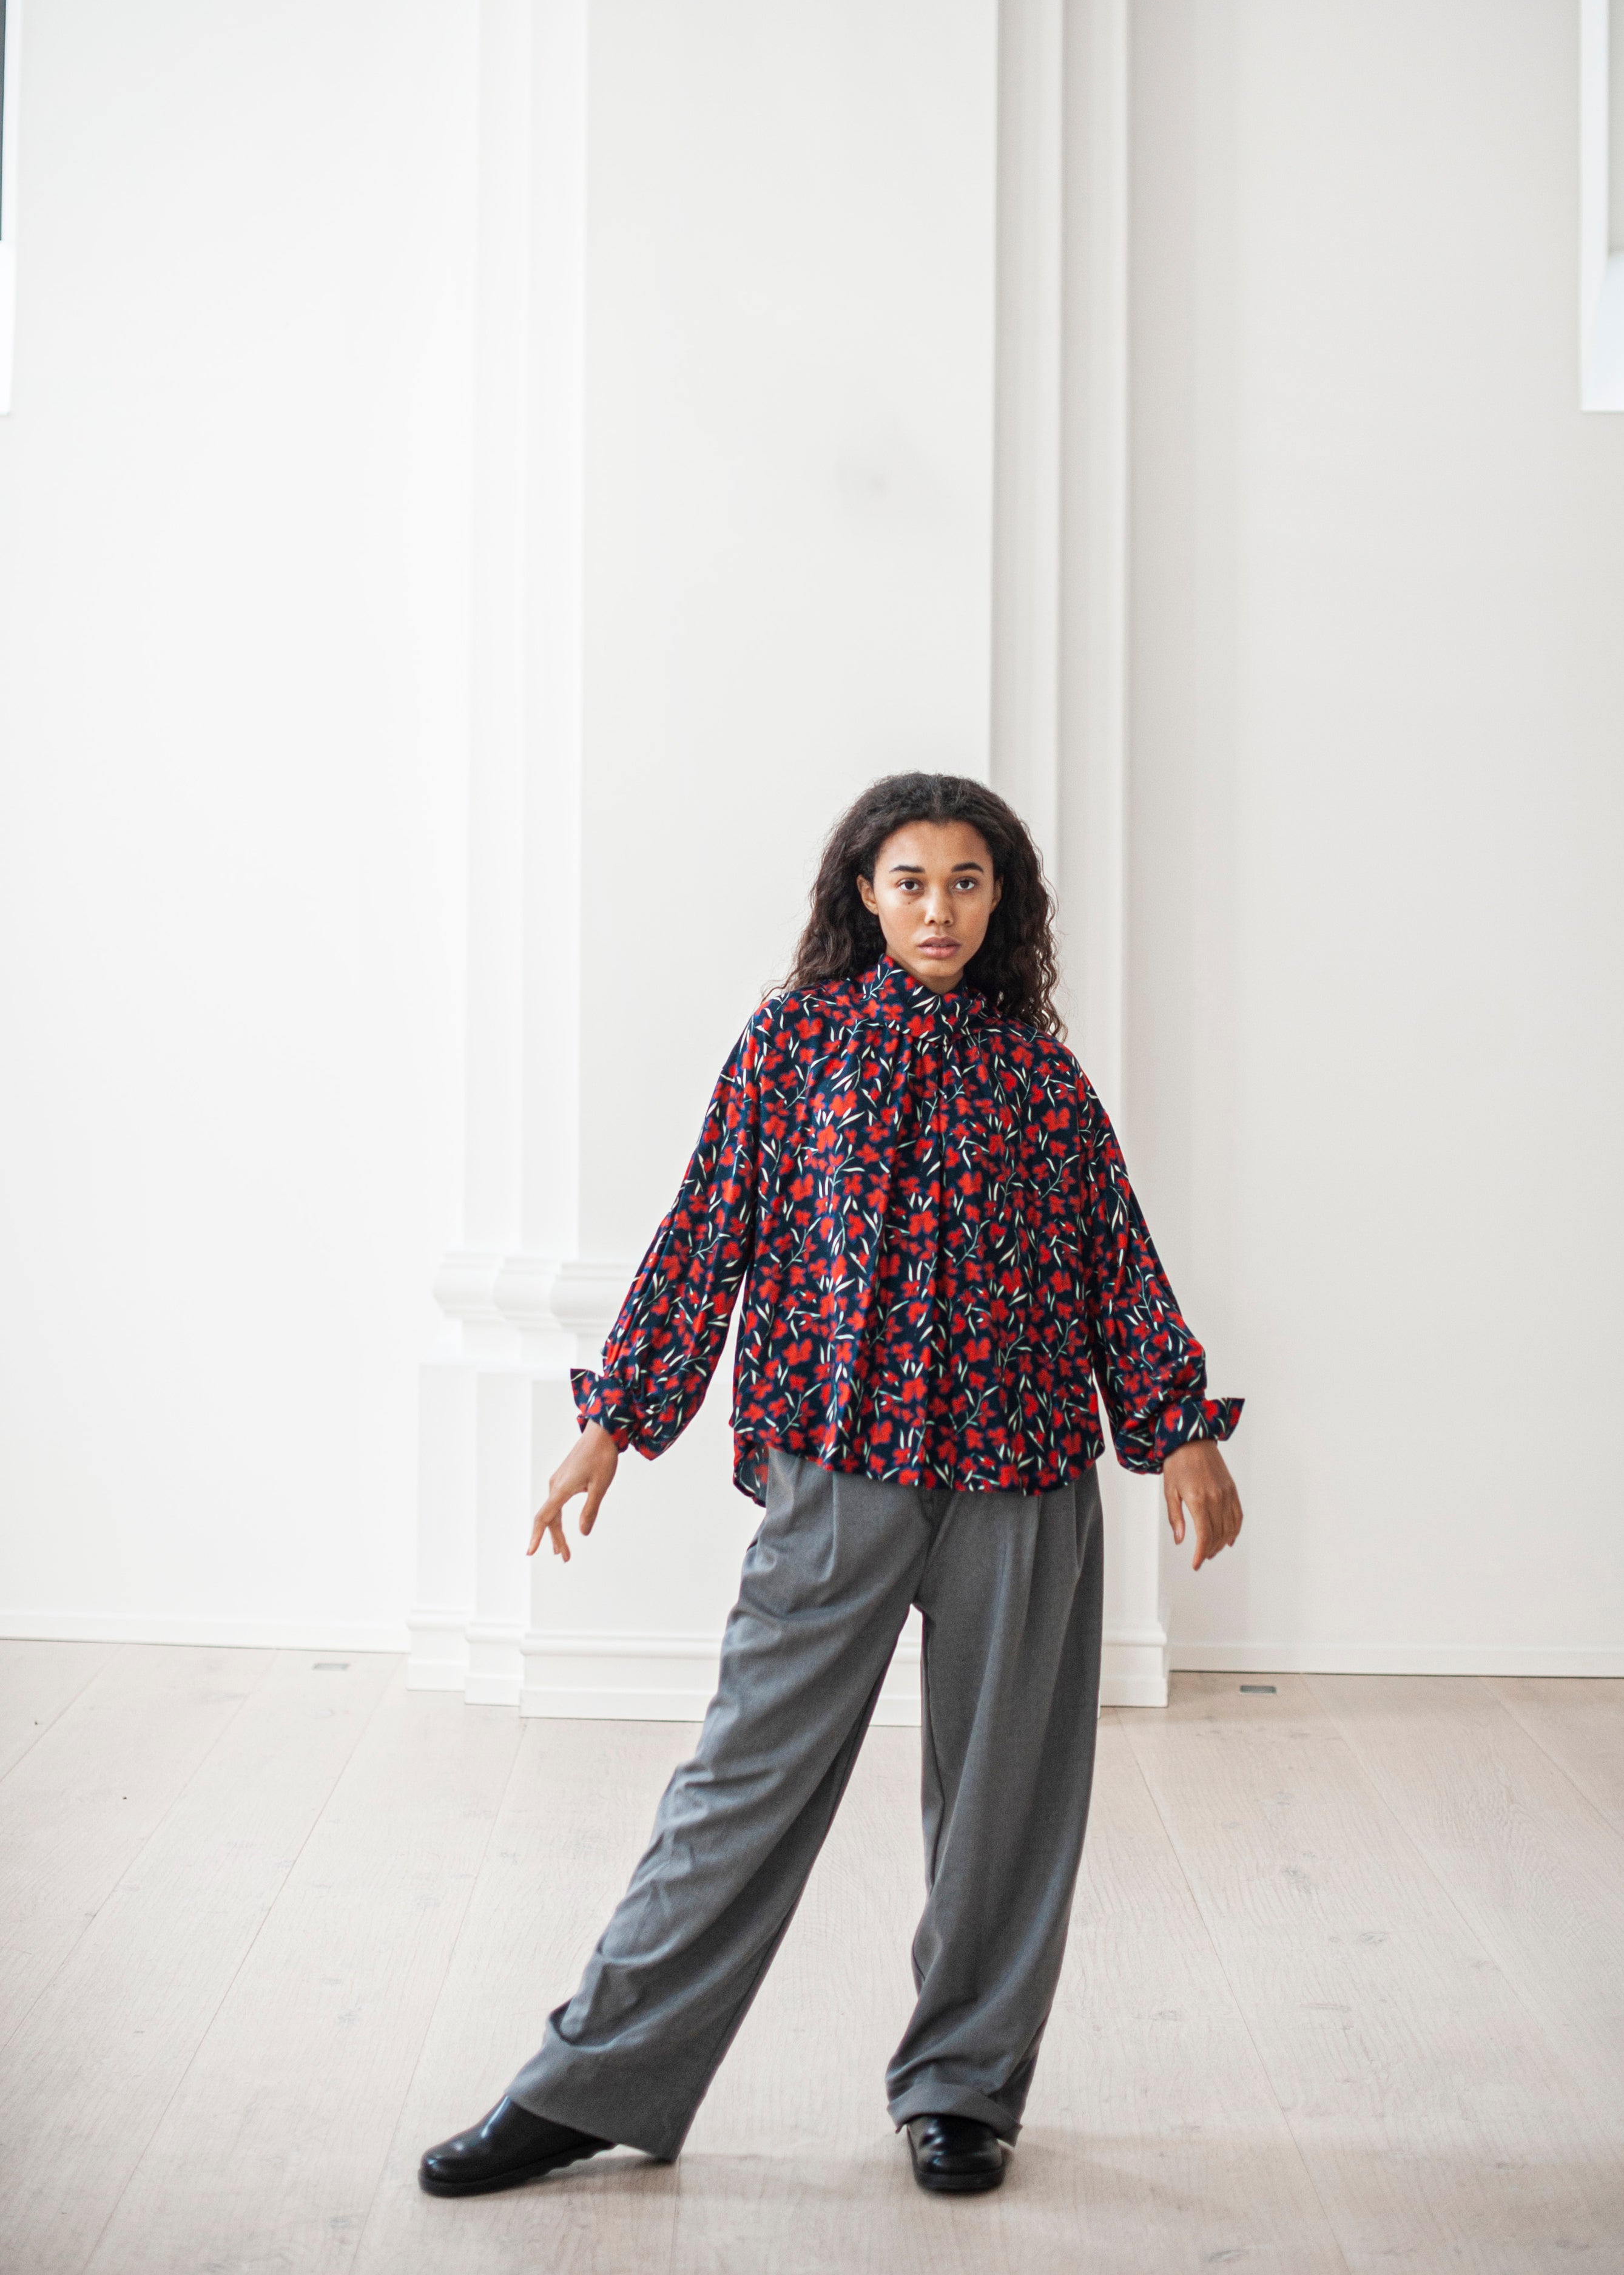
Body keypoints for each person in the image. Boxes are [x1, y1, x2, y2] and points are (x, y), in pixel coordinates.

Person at [419, 771, 1243, 2202]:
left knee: (1006, 1799)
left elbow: (1116, 1261)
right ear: (863, 892)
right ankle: (594, 2077)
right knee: (742, 1780)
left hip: (1024, 1475)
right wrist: (616, 1419)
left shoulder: (1041, 1077)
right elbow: (704, 1233)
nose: (939, 907)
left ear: (1004, 902)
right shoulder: (790, 1046)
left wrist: (1180, 1427)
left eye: (967, 882)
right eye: (911, 879)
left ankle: (964, 2088)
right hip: (836, 1469)